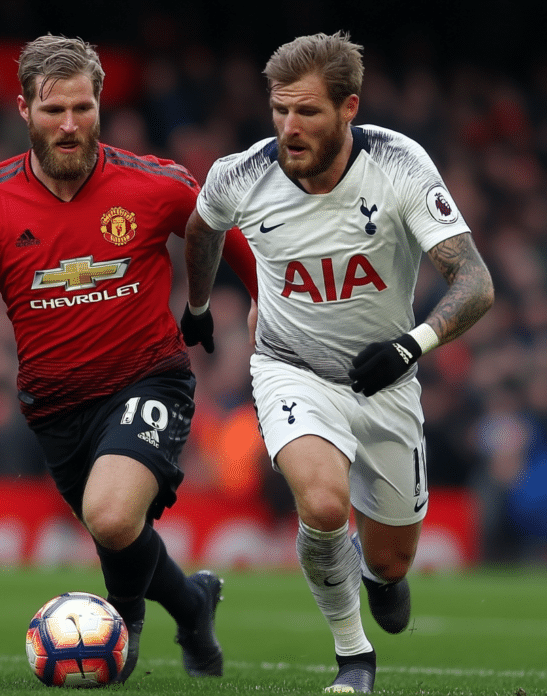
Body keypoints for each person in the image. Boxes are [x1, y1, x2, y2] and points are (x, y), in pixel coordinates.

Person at [0, 34, 257, 683]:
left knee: (110, 514)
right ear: (23, 109)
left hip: (150, 376)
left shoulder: (154, 184)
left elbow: (221, 228)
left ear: (99, 103)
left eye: (83, 108)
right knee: (118, 530)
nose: (70, 126)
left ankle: (119, 633)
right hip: (55, 407)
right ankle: (193, 604)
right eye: (53, 111)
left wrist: (261, 299)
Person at [181, 32, 494, 693]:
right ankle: (354, 658)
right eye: (279, 111)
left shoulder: (400, 165)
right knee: (322, 507)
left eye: (308, 113)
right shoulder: (240, 173)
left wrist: (412, 345)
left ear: (349, 108)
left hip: (388, 380)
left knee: (392, 558)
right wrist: (201, 303)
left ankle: (382, 578)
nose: (289, 129)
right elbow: (203, 226)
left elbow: (475, 282)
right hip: (290, 366)